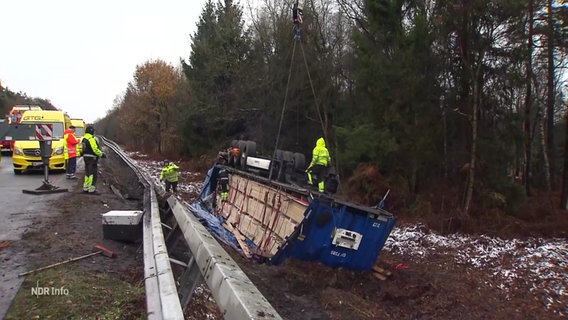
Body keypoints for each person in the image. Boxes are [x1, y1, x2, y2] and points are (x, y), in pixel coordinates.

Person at [82, 125, 104, 193]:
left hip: (85, 157)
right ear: (91, 131)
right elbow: (95, 149)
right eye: (93, 131)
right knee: (93, 173)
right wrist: (101, 154)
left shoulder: (84, 138)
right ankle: (91, 188)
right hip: (92, 158)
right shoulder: (91, 139)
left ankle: (85, 187)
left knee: (87, 172)